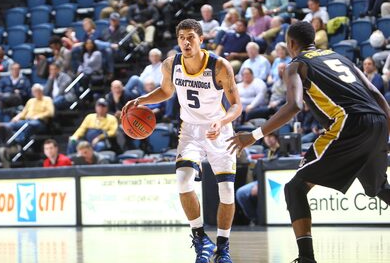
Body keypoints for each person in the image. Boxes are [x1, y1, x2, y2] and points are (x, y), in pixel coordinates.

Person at [227, 21, 390, 263]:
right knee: (379, 189)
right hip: (377, 121)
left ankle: (306, 258)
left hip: (348, 123)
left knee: (295, 188)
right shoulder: (340, 58)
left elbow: (292, 106)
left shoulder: (296, 65)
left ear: (291, 43)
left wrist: (253, 135)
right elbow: (376, 95)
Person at [122, 19, 242, 263]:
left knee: (227, 191)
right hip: (190, 130)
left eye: (191, 37)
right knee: (183, 181)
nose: (186, 42)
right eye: (181, 38)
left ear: (201, 39)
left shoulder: (219, 66)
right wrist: (141, 100)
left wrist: (222, 121)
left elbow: (237, 105)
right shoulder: (171, 64)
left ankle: (223, 247)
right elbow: (166, 92)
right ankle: (200, 238)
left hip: (219, 129)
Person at [235, 132, 280, 224]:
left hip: (275, 181)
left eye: (271, 136)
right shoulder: (267, 152)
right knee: (241, 193)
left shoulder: (283, 150)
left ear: (276, 137)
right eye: (266, 136)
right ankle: (256, 219)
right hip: (262, 181)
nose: (268, 139)